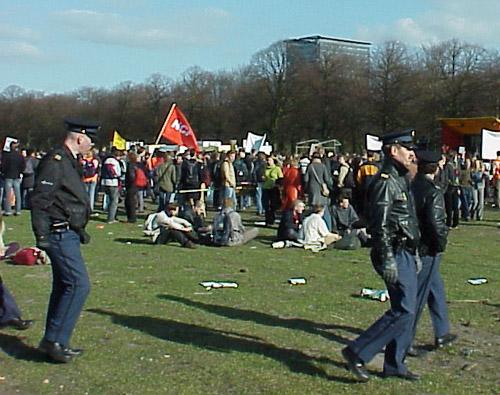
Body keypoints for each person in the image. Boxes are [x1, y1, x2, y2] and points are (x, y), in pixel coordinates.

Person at [342, 130, 421, 382]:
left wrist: (415, 250)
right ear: (392, 150)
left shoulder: (399, 178)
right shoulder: (386, 181)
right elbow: (381, 224)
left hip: (404, 250)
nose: (412, 153)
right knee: (404, 310)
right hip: (393, 251)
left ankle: (394, 363)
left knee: (406, 308)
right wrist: (387, 257)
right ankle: (357, 352)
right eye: (407, 147)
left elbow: (405, 219)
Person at [31, 117, 98, 363]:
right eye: (89, 140)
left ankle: (54, 340)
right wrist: (42, 236)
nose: (91, 145)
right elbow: (40, 200)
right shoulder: (56, 162)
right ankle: (56, 340)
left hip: (69, 231)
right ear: (79, 138)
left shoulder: (68, 161)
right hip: (59, 232)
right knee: (78, 285)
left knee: (64, 286)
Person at [410, 150, 456, 355]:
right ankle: (405, 339)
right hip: (428, 248)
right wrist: (441, 244)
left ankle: (442, 331)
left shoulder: (411, 185)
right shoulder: (432, 191)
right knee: (417, 296)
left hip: (417, 244)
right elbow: (436, 223)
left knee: (436, 288)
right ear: (436, 168)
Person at [1, 141, 25, 216]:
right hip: (17, 175)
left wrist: (3, 172)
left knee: (8, 194)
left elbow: (3, 166)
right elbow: (23, 166)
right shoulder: (20, 156)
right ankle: (18, 210)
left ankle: (8, 210)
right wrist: (19, 172)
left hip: (8, 175)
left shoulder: (7, 155)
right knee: (18, 194)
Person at [101, 148, 122, 224]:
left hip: (105, 182)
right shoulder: (115, 162)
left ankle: (109, 215)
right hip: (113, 182)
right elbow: (118, 172)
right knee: (114, 201)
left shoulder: (105, 160)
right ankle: (111, 218)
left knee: (109, 199)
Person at [261, 156, 283, 226]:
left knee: (273, 205)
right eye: (267, 160)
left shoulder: (277, 169)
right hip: (266, 188)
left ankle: (272, 219)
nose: (268, 162)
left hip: (274, 188)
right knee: (266, 205)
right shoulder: (265, 169)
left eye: (270, 160)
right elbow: (263, 176)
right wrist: (263, 178)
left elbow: (280, 178)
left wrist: (277, 185)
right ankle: (267, 220)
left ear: (273, 161)